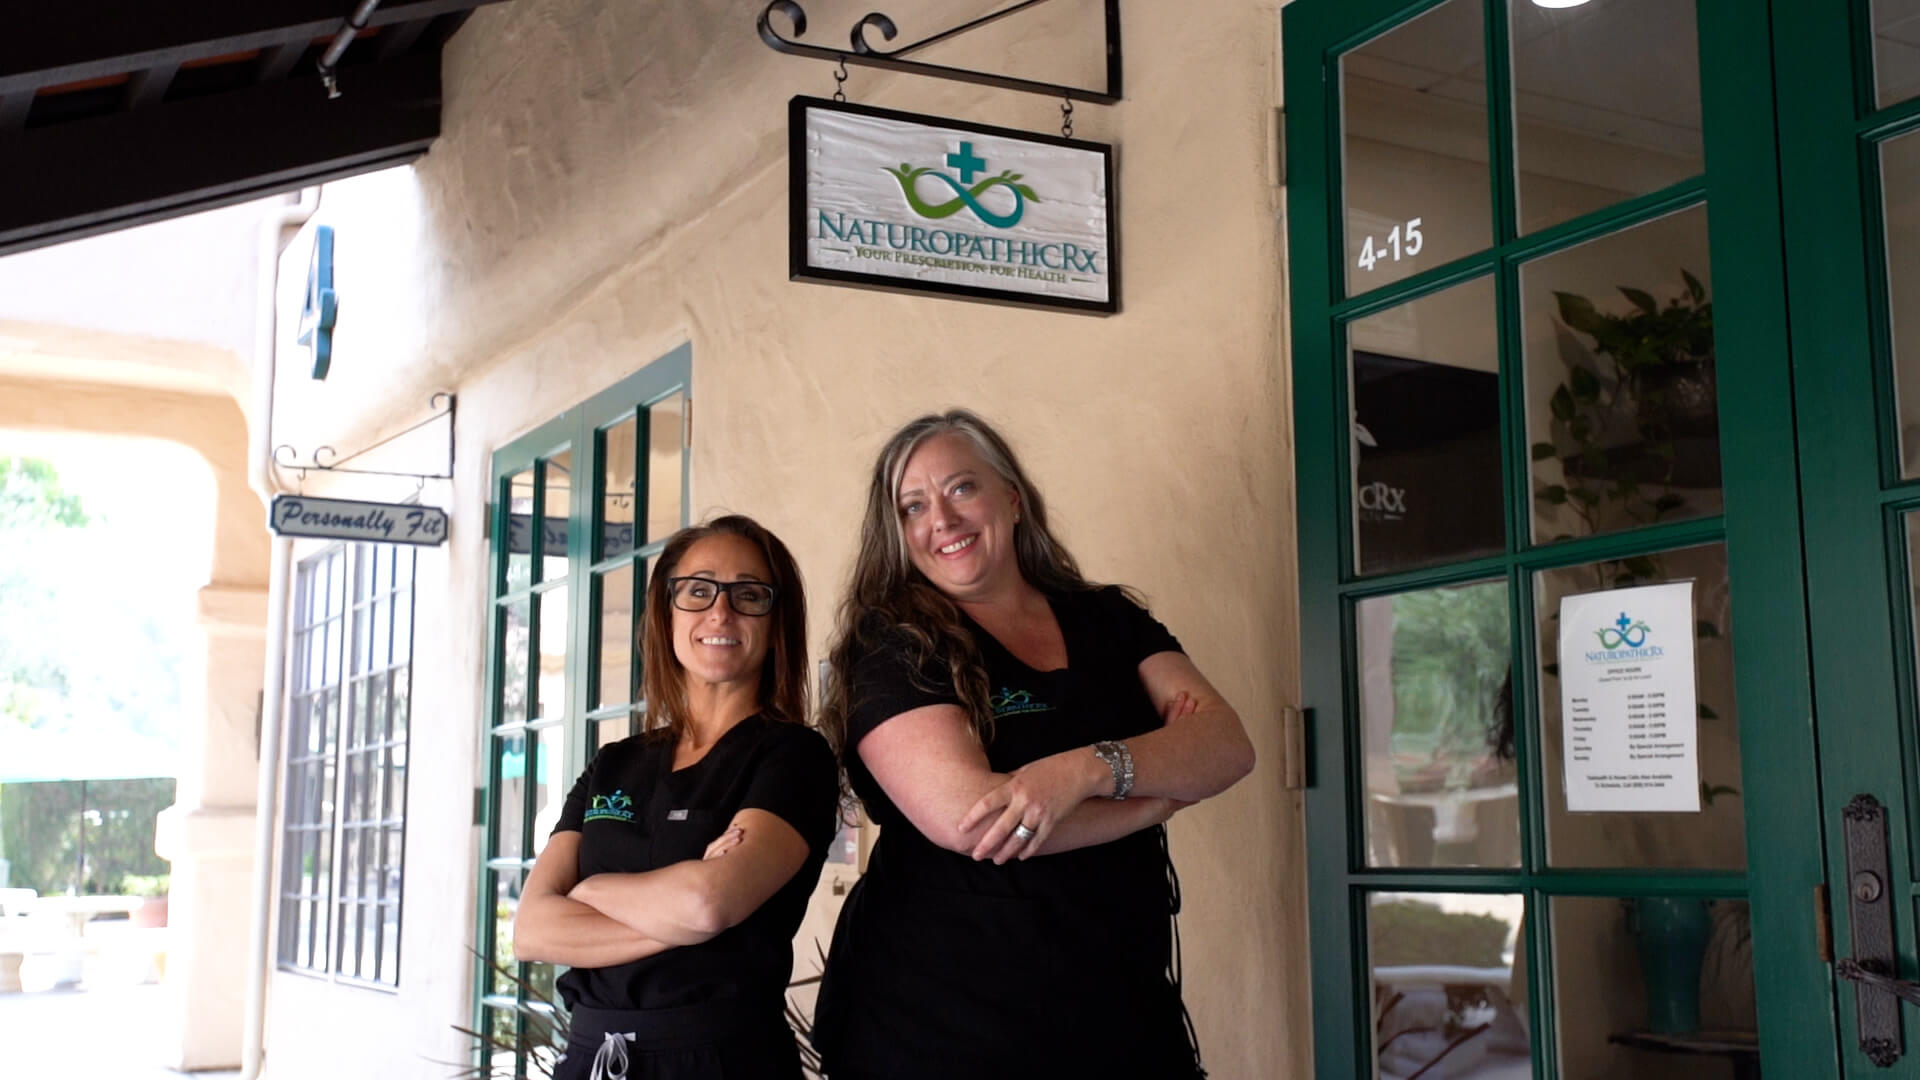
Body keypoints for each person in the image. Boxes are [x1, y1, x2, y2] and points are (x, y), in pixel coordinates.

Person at [811, 410, 1257, 1080]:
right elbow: (976, 821)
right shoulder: (895, 646)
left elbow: (1227, 746)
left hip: (1119, 1004)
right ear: (899, 534)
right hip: (944, 1022)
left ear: (1011, 498)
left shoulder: (1108, 618)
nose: (943, 519)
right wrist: (1156, 795)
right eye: (913, 506)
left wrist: (1080, 772)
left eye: (962, 488)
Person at [514, 514, 839, 1080]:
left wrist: (591, 891)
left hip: (720, 1058)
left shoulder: (794, 757)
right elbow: (533, 929)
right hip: (590, 1057)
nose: (721, 611)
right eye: (698, 590)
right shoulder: (613, 763)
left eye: (748, 594)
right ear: (666, 614)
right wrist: (684, 908)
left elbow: (705, 903)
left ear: (776, 618)